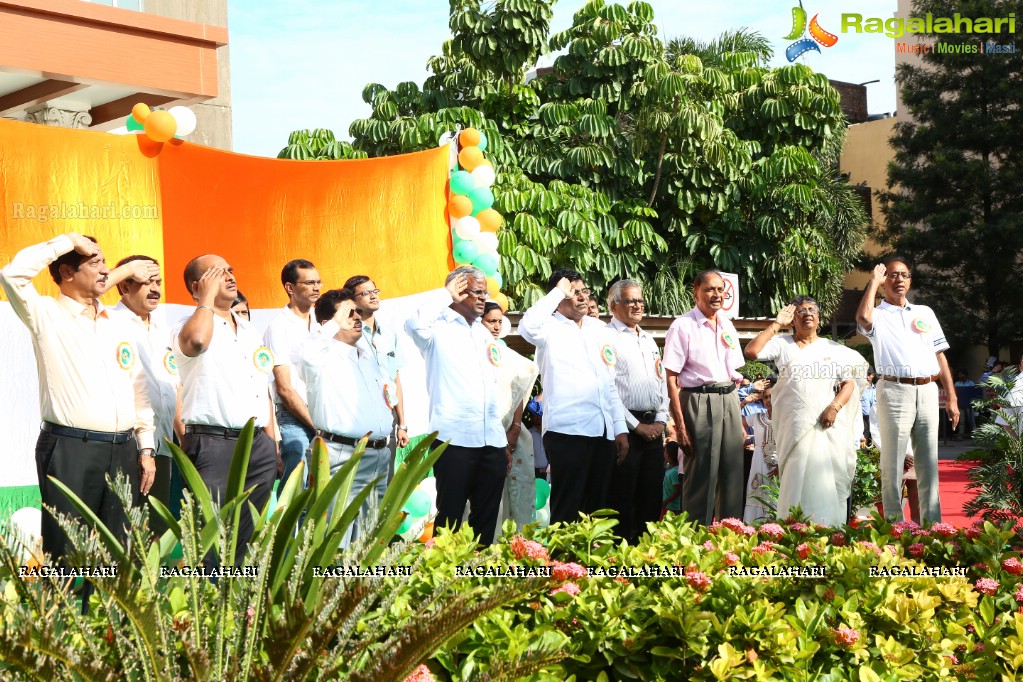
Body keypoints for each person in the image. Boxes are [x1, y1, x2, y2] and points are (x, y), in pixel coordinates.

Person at [0, 233, 157, 564]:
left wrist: (145, 447)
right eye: (94, 262)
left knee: (118, 554)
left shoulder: (115, 321)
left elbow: (137, 388)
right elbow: (12, 274)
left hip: (125, 450)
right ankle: (67, 616)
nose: (105, 271)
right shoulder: (45, 314)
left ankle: (109, 616)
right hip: (72, 449)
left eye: (105, 262)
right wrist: (69, 240)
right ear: (68, 273)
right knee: (67, 554)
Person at [173, 255, 279, 564]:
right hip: (213, 444)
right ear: (197, 286)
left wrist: (272, 444)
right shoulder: (187, 326)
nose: (230, 276)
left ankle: (241, 603)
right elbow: (195, 342)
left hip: (257, 444)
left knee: (247, 536)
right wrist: (205, 301)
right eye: (219, 273)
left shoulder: (248, 330)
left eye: (231, 270)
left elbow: (262, 388)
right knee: (210, 534)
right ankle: (209, 604)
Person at [405, 266, 507, 545]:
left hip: (491, 439)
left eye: (485, 292)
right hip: (455, 439)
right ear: (457, 291)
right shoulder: (437, 328)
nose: (483, 298)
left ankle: (480, 581)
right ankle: (445, 580)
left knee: (486, 519)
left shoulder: (484, 332)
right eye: (476, 292)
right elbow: (412, 325)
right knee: (449, 518)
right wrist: (444, 295)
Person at [518, 269, 629, 525]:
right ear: (558, 296)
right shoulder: (547, 327)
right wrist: (558, 291)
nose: (581, 297)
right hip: (567, 431)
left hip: (603, 432)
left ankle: (592, 564)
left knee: (599, 509)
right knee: (568, 507)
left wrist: (620, 429)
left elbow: (608, 383)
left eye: (583, 291)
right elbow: (526, 326)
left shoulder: (599, 329)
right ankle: (562, 565)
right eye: (573, 292)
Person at [745, 298, 868, 526]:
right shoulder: (782, 343)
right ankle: (794, 531)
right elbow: (752, 351)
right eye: (801, 310)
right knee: (795, 478)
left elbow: (849, 383)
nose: (807, 313)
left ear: (819, 318)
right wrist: (776, 324)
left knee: (824, 479)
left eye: (812, 310)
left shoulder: (832, 349)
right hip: (793, 426)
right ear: (793, 318)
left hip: (825, 425)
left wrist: (834, 407)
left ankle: (828, 529)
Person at [856, 257, 959, 523]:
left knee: (928, 463)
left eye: (904, 274)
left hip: (927, 390)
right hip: (894, 389)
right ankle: (893, 525)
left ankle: (932, 525)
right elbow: (863, 319)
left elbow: (939, 355)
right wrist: (872, 282)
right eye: (892, 275)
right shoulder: (877, 313)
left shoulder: (924, 312)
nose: (899, 279)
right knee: (893, 462)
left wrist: (952, 397)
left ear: (910, 280)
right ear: (884, 281)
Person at [293, 289, 394, 542]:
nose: (357, 317)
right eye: (349, 313)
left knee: (370, 537)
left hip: (379, 456)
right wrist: (333, 322)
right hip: (343, 455)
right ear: (329, 322)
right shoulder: (320, 358)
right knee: (335, 536)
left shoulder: (367, 353)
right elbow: (305, 353)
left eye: (358, 312)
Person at [662, 270, 744, 526]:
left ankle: (730, 541)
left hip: (729, 399)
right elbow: (671, 379)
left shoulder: (727, 323)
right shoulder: (682, 325)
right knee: (701, 477)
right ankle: (694, 543)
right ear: (696, 291)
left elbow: (733, 373)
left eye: (721, 290)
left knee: (732, 476)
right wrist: (681, 427)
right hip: (698, 401)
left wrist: (739, 420)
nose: (717, 295)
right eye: (710, 289)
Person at [108, 254, 184, 530]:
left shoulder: (164, 330)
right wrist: (143, 448)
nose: (155, 289)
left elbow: (174, 388)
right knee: (125, 528)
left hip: (161, 445)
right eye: (146, 282)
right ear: (123, 287)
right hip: (126, 444)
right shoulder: (109, 323)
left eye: (158, 281)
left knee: (154, 529)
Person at [604, 279, 668, 543]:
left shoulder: (648, 338)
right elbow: (606, 387)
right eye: (630, 300)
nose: (638, 305)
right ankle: (620, 564)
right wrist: (635, 425)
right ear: (613, 304)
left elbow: (660, 379)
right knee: (622, 498)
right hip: (625, 429)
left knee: (651, 498)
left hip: (655, 428)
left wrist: (662, 420)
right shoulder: (605, 336)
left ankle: (646, 558)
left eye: (640, 300)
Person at [480, 302, 539, 531]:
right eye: (490, 321)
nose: (496, 326)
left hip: (510, 432)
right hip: (481, 433)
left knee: (514, 493)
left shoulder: (507, 355)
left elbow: (519, 388)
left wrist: (515, 427)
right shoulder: (469, 352)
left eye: (499, 321)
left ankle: (516, 547)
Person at [264, 259, 320, 488]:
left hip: (323, 419)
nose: (316, 287)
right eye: (309, 283)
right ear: (290, 288)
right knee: (296, 496)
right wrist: (315, 424)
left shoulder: (322, 324)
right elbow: (284, 388)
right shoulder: (278, 327)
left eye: (318, 282)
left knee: (324, 497)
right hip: (293, 419)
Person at [345, 275, 411, 468]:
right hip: (359, 416)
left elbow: (395, 378)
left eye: (375, 291)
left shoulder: (389, 331)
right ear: (352, 300)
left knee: (385, 480)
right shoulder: (347, 333)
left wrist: (402, 424)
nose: (373, 296)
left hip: (389, 416)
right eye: (366, 293)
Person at [743, 383, 777, 523]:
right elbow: (734, 420)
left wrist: (781, 466)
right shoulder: (756, 417)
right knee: (756, 495)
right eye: (765, 397)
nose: (768, 400)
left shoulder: (785, 418)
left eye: (772, 396)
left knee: (776, 498)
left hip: (778, 464)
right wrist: (744, 402)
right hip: (758, 462)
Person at [953, 369, 977, 439]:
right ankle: (960, 435)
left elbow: (974, 393)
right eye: (959, 375)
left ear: (965, 375)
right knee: (961, 421)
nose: (960, 376)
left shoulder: (971, 383)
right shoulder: (957, 383)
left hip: (969, 405)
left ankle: (974, 435)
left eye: (961, 374)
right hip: (960, 404)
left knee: (971, 420)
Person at [662, 442, 682, 517]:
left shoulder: (674, 472)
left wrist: (666, 502)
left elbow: (678, 491)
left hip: (673, 507)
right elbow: (665, 466)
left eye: (665, 451)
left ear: (668, 454)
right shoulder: (669, 467)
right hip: (668, 505)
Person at [860, 370, 876, 446]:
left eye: (869, 375)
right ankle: (864, 455)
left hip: (874, 417)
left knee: (875, 435)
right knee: (864, 436)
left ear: (873, 375)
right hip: (863, 417)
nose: (867, 377)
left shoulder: (876, 389)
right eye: (866, 375)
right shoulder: (860, 389)